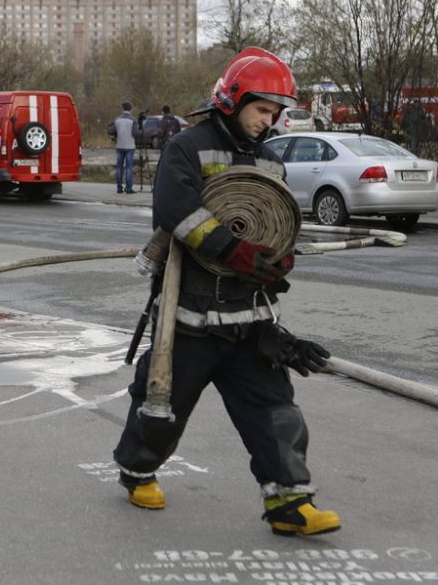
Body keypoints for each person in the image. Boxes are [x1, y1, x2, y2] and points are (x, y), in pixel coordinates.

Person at [112, 47, 341, 537]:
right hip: (188, 317)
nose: (269, 121)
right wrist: (230, 249)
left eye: (276, 113)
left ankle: (289, 504)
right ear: (232, 100)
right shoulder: (188, 147)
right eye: (263, 110)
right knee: (161, 408)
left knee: (275, 410)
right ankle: (137, 471)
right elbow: (176, 211)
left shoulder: (269, 160)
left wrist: (277, 261)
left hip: (249, 323)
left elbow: (278, 224)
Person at [111, 100, 139, 194]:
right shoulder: (133, 119)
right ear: (130, 108)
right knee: (129, 168)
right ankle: (129, 188)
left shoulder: (117, 119)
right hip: (130, 146)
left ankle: (119, 188)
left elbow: (112, 131)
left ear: (122, 108)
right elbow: (135, 134)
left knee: (119, 167)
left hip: (119, 145)